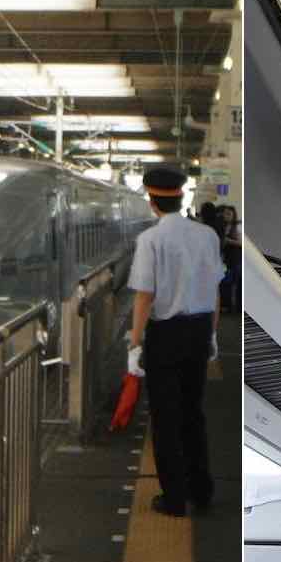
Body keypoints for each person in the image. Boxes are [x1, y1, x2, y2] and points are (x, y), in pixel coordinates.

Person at [123, 165, 225, 517]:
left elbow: (144, 297)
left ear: (152, 202)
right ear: (182, 198)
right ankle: (202, 490)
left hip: (165, 336)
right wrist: (211, 334)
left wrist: (135, 345)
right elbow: (214, 291)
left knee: (166, 417)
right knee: (193, 413)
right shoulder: (208, 237)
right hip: (198, 331)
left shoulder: (151, 240)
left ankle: (175, 498)